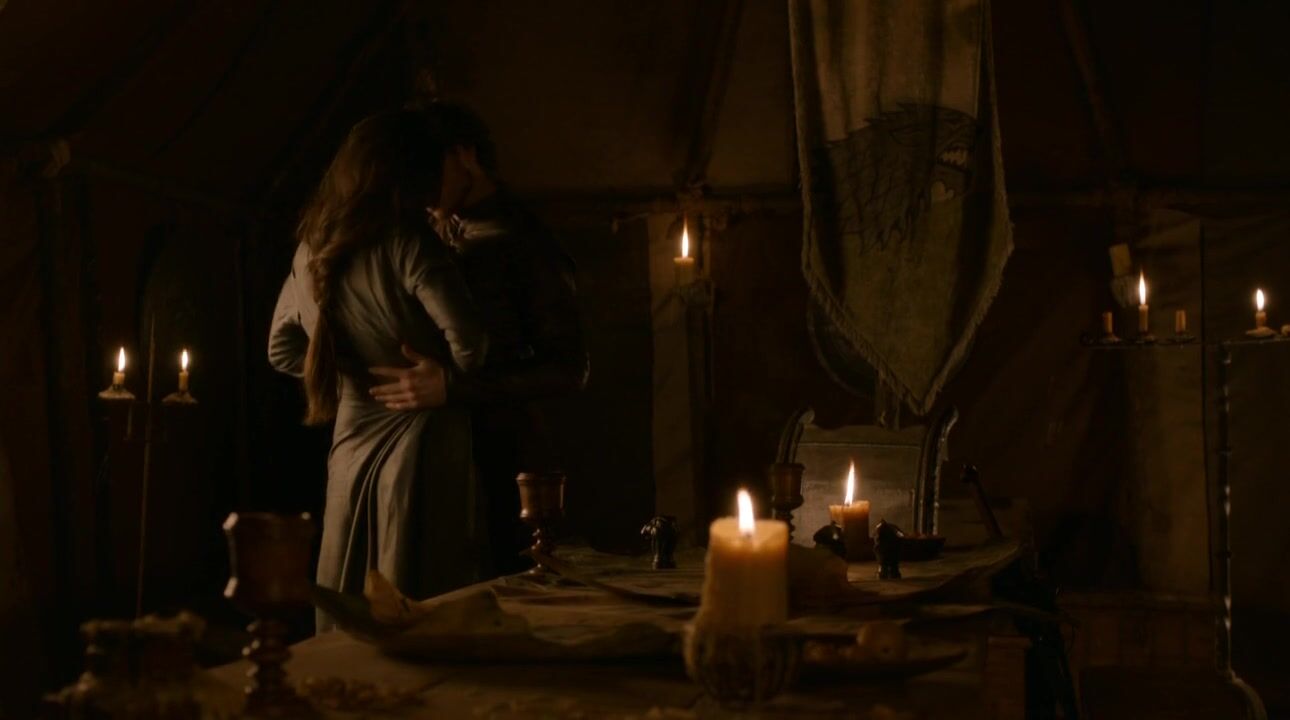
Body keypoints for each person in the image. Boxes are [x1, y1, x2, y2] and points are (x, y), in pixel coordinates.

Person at [267, 109, 490, 629]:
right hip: (423, 443)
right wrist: (436, 378)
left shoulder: (311, 249)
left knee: (349, 602)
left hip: (349, 445)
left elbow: (280, 350)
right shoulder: (408, 241)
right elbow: (471, 346)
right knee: (422, 600)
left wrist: (350, 374)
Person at [368, 102, 588, 575]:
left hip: (506, 463)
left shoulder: (529, 244)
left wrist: (454, 387)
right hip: (436, 455)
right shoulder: (431, 232)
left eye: (431, 170)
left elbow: (569, 367)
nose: (423, 189)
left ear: (464, 156)